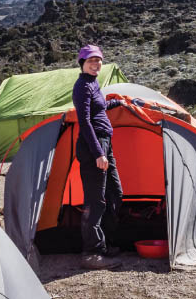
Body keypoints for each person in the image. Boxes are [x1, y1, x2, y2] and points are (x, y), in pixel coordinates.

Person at [72, 44, 124, 270]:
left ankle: (103, 243)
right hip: (93, 146)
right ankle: (91, 253)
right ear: (82, 63)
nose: (96, 64)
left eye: (99, 60)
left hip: (105, 143)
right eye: (91, 60)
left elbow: (99, 109)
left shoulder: (94, 84)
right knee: (96, 201)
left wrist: (117, 102)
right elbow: (84, 122)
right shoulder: (82, 86)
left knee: (115, 193)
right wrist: (98, 153)